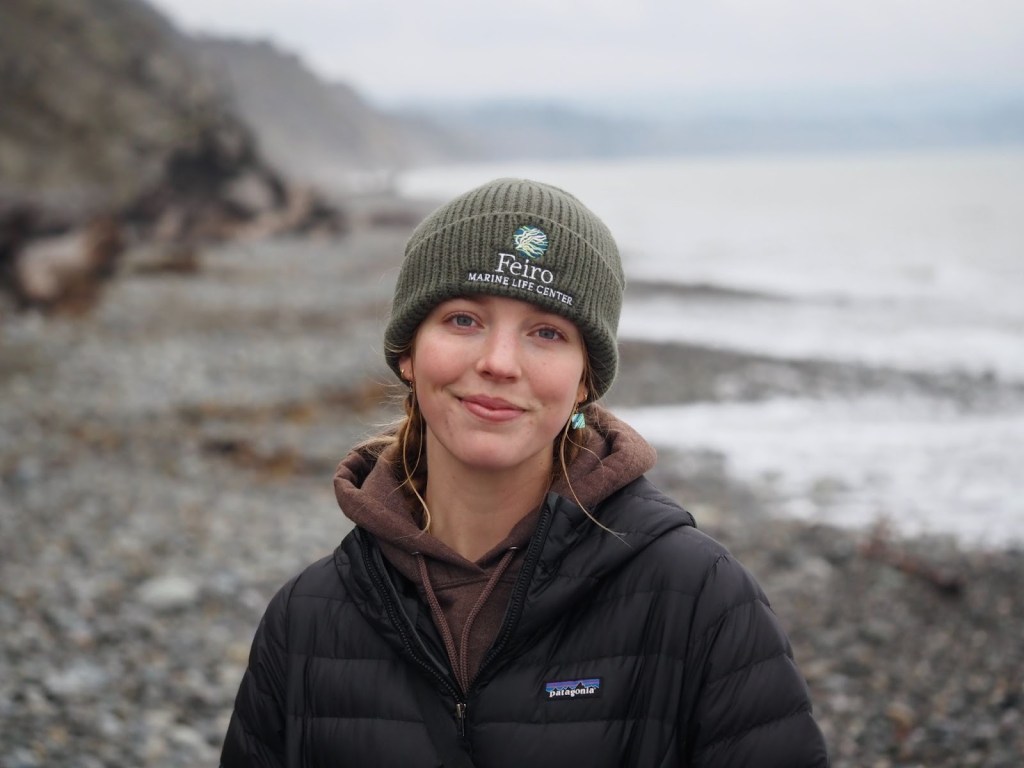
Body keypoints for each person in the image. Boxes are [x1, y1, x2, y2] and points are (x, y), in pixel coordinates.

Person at [220, 178, 830, 767]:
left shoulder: (702, 601)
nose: (498, 363)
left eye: (546, 332)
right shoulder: (306, 620)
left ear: (586, 379)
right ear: (408, 351)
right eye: (463, 319)